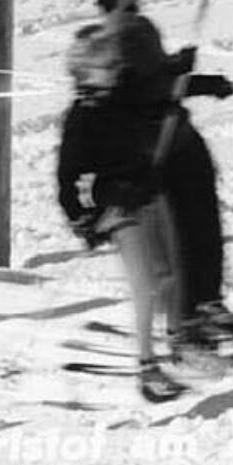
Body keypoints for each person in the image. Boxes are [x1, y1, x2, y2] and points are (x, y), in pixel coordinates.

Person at [93, 0, 233, 351]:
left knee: (200, 221)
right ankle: (187, 313)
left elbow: (161, 78)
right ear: (111, 4)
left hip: (175, 139)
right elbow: (146, 88)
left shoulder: (138, 30)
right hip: (155, 146)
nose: (133, 5)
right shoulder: (115, 39)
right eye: (124, 0)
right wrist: (187, 77)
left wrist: (180, 69)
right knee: (179, 231)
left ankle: (205, 302)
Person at [56, 20, 188, 399]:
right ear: (85, 71)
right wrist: (82, 217)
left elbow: (156, 97)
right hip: (119, 205)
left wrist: (180, 74)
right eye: (109, 66)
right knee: (146, 284)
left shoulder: (120, 97)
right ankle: (147, 367)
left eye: (117, 64)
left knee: (169, 273)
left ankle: (178, 341)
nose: (117, 71)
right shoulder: (81, 117)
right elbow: (67, 177)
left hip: (147, 191)